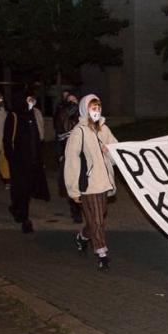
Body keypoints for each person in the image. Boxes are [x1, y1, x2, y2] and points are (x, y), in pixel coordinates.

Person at [65, 94, 118, 271]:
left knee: (97, 219)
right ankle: (102, 255)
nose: (97, 111)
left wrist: (109, 150)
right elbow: (72, 161)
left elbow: (116, 153)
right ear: (85, 110)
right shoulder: (78, 132)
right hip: (88, 185)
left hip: (104, 183)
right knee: (97, 221)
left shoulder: (104, 130)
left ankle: (83, 236)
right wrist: (73, 190)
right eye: (93, 108)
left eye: (98, 108)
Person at [3, 89, 50, 233]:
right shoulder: (13, 116)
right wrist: (12, 160)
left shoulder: (32, 115)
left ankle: (18, 209)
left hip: (32, 161)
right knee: (21, 190)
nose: (32, 102)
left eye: (33, 100)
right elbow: (7, 140)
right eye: (29, 99)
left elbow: (36, 139)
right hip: (19, 162)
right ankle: (25, 219)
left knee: (26, 190)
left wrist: (39, 158)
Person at [54, 90, 82, 222]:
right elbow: (60, 136)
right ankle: (75, 210)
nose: (73, 102)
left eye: (74, 100)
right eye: (70, 100)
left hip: (82, 154)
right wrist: (60, 154)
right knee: (72, 182)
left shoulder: (82, 115)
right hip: (68, 154)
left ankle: (83, 206)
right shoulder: (62, 116)